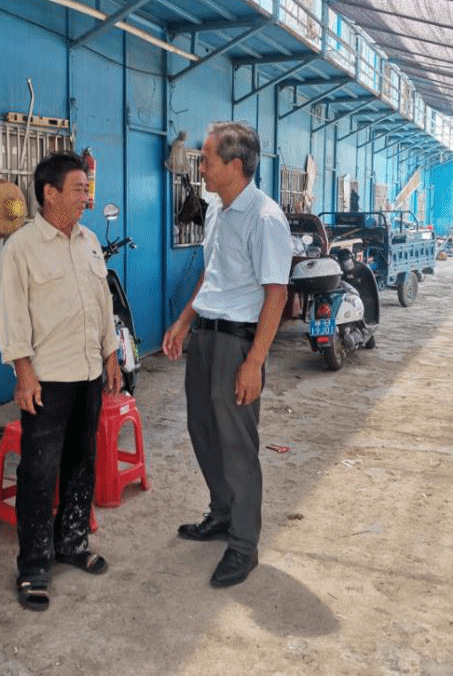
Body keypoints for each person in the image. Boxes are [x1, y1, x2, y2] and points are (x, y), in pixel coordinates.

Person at [161, 121, 293, 588]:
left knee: (237, 445)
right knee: (202, 431)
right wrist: (183, 321)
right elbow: (212, 272)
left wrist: (254, 362)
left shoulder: (265, 218)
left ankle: (243, 545)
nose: (200, 168)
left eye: (206, 160)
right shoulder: (218, 208)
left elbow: (276, 294)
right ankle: (221, 513)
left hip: (238, 342)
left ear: (235, 166)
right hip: (206, 335)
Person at [0, 150, 123, 611]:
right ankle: (33, 565)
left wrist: (112, 356)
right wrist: (23, 373)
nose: (87, 198)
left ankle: (71, 542)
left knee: (82, 463)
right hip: (48, 379)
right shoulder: (21, 247)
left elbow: (103, 303)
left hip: (89, 373)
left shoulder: (89, 241)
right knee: (38, 472)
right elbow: (12, 316)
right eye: (78, 189)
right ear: (49, 194)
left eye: (87, 189)